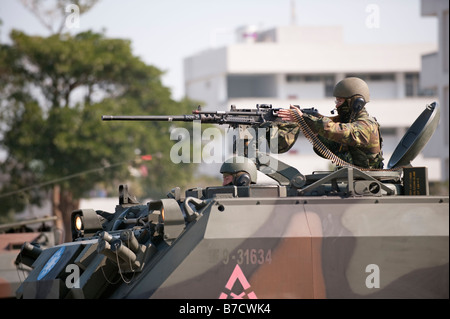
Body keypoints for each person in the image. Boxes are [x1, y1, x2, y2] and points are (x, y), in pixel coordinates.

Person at [277, 77, 384, 169]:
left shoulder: (367, 125)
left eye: (340, 101)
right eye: (336, 101)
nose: (337, 106)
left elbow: (339, 130)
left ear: (355, 102)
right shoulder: (348, 122)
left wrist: (306, 119)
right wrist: (315, 134)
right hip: (352, 180)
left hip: (367, 183)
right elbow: (330, 151)